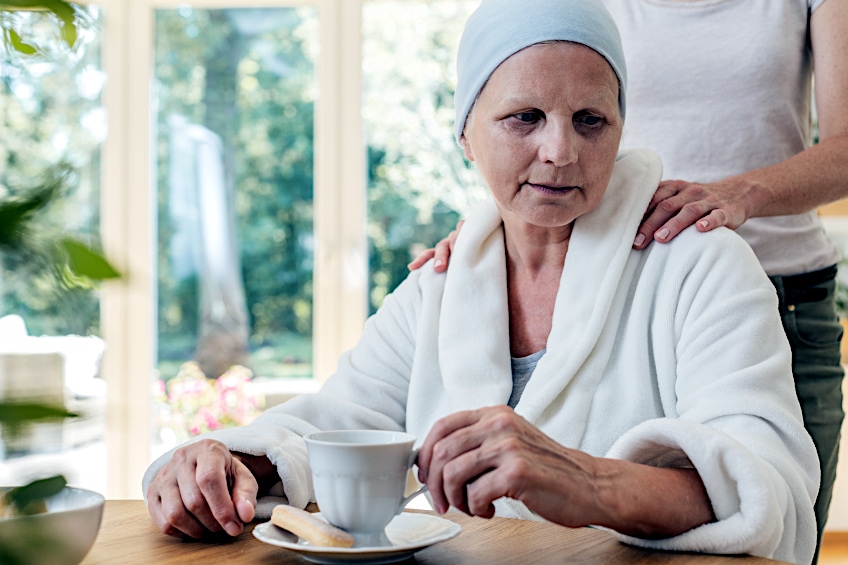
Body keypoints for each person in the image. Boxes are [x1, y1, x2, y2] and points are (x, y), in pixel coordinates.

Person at [143, 1, 819, 562]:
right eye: (524, 117)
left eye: (591, 120)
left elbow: (767, 482)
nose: (560, 151)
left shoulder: (701, 264)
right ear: (465, 132)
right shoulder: (440, 284)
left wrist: (587, 482)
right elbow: (341, 421)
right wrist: (230, 464)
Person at [411, 1, 848, 560]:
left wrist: (740, 195)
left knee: (769, 513)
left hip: (769, 285)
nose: (559, 148)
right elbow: (525, 87)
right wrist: (497, 227)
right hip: (601, 270)